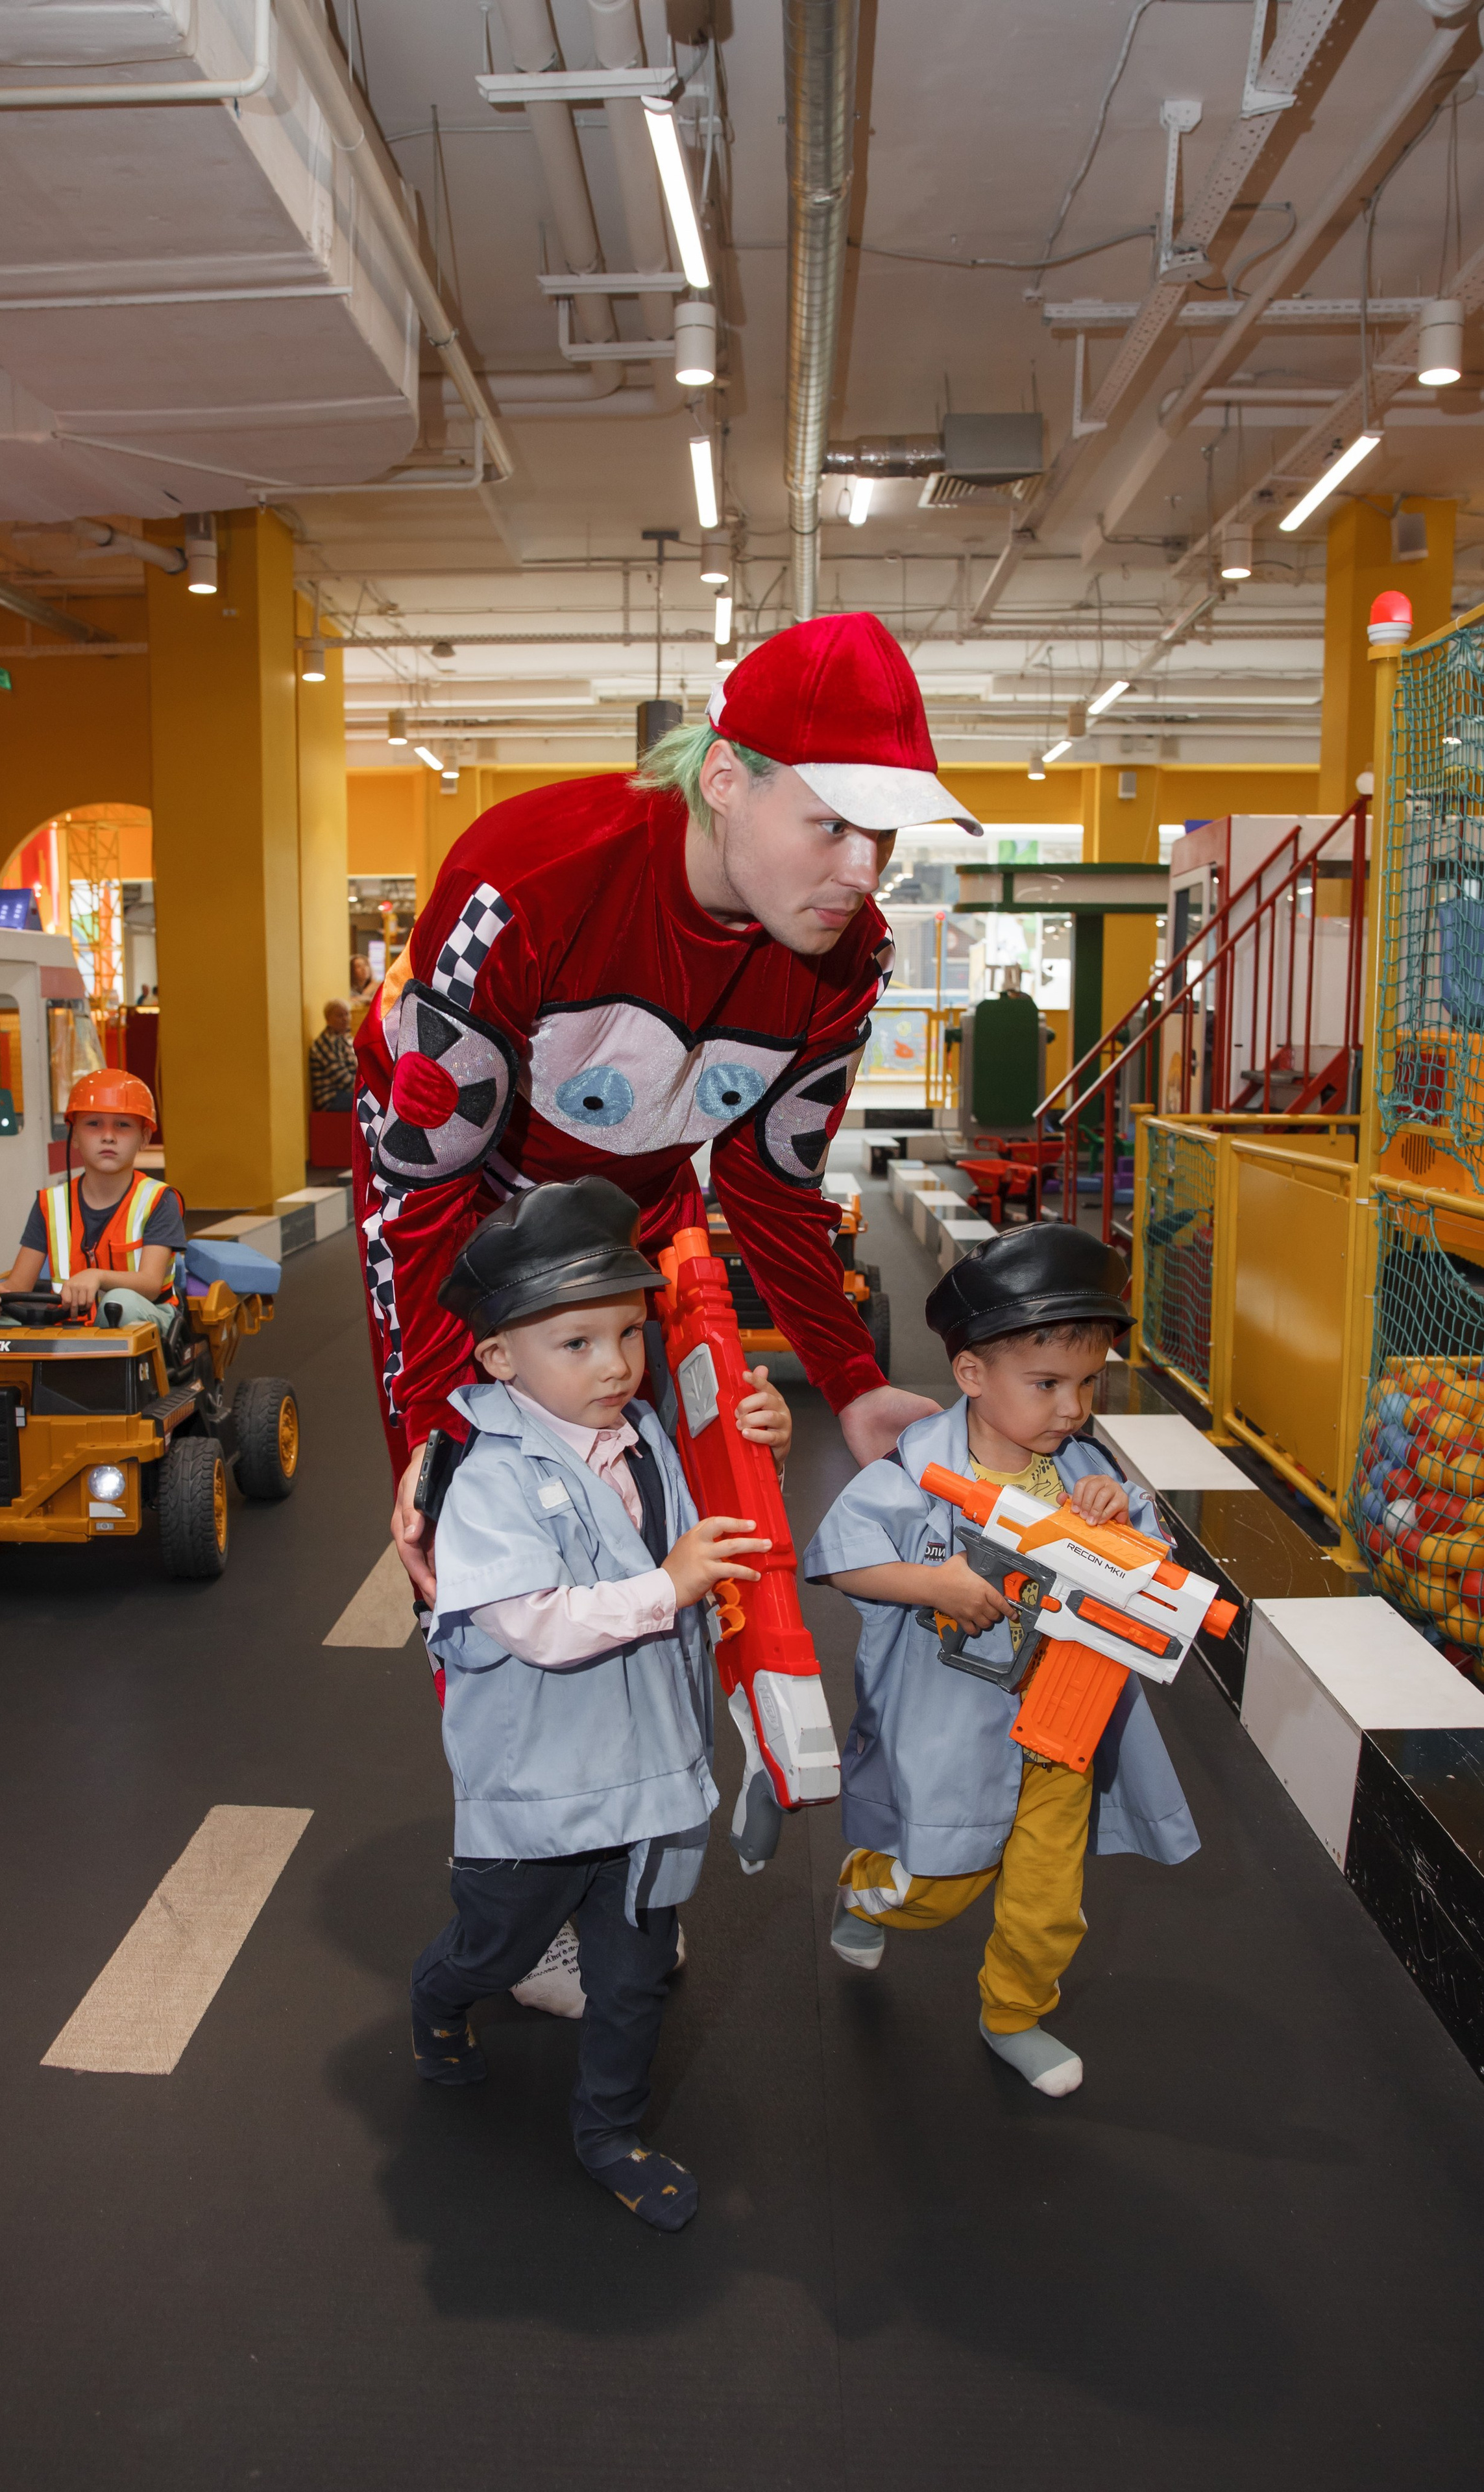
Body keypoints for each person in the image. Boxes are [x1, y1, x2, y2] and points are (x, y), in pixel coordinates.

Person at [351, 611, 983, 1606]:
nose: (866, 873)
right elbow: (424, 1189)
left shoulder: (851, 955)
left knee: (643, 1478)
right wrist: (433, 1422)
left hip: (636, 1187)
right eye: (833, 824)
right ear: (725, 779)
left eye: (885, 833)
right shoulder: (521, 887)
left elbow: (772, 1186)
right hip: (464, 1191)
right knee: (474, 1508)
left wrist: (852, 1379)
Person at [413, 1177, 791, 2230]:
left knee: (634, 1979)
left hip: (649, 1779)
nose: (617, 1365)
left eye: (628, 1333)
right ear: (500, 1359)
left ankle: (609, 2132)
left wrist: (759, 1444)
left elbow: (717, 1527)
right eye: (576, 1343)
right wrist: (667, 1587)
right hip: (539, 1795)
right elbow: (536, 1623)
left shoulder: (643, 1434)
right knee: (493, 1950)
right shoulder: (488, 1480)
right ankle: (438, 2002)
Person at [803, 1225, 1199, 2099]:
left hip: (1063, 1726)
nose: (1072, 1408)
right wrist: (933, 1584)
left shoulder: (1088, 1471)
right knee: (937, 1886)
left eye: (1088, 1383)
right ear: (972, 1375)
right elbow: (838, 1557)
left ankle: (1014, 2015)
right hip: (954, 1727)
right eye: (1047, 1384)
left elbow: (1153, 1569)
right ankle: (866, 1889)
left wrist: (1119, 1520)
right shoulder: (915, 1471)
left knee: (1049, 1901)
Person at [0, 1069, 184, 1332]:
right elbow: (18, 1289)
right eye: (93, 1124)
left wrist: (98, 1276)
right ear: (74, 1137)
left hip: (147, 1322)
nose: (108, 1136)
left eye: (123, 1125)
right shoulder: (51, 1203)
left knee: (120, 1303)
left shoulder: (159, 1200)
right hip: (69, 1327)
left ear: (145, 1138)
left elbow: (151, 1285)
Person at [310, 998, 358, 1116]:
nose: (345, 1019)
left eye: (347, 1014)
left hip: (345, 1093)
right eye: (339, 1016)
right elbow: (342, 1079)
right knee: (374, 1101)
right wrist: (367, 1090)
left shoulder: (345, 1038)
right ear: (328, 1019)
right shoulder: (326, 1042)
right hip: (331, 1098)